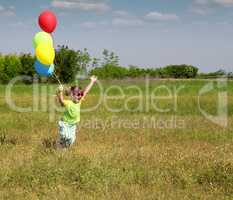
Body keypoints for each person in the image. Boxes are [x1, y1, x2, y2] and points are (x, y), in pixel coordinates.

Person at [56, 75, 97, 148]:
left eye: (81, 94)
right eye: (78, 94)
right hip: (65, 123)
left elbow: (86, 91)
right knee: (65, 135)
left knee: (71, 140)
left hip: (73, 125)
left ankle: (62, 146)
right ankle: (60, 141)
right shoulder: (69, 102)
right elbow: (61, 101)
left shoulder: (80, 100)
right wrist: (60, 92)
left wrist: (92, 82)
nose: (80, 96)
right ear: (72, 95)